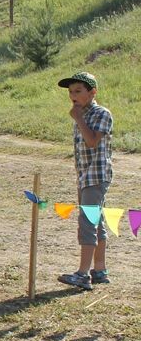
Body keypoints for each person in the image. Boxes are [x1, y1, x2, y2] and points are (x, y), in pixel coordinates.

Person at [55, 71, 113, 291]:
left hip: (96, 176)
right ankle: (100, 270)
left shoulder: (101, 114)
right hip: (84, 177)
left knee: (87, 223)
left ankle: (83, 274)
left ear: (92, 92)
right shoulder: (80, 114)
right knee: (97, 222)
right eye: (71, 92)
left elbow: (91, 142)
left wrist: (78, 118)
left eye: (78, 91)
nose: (73, 95)